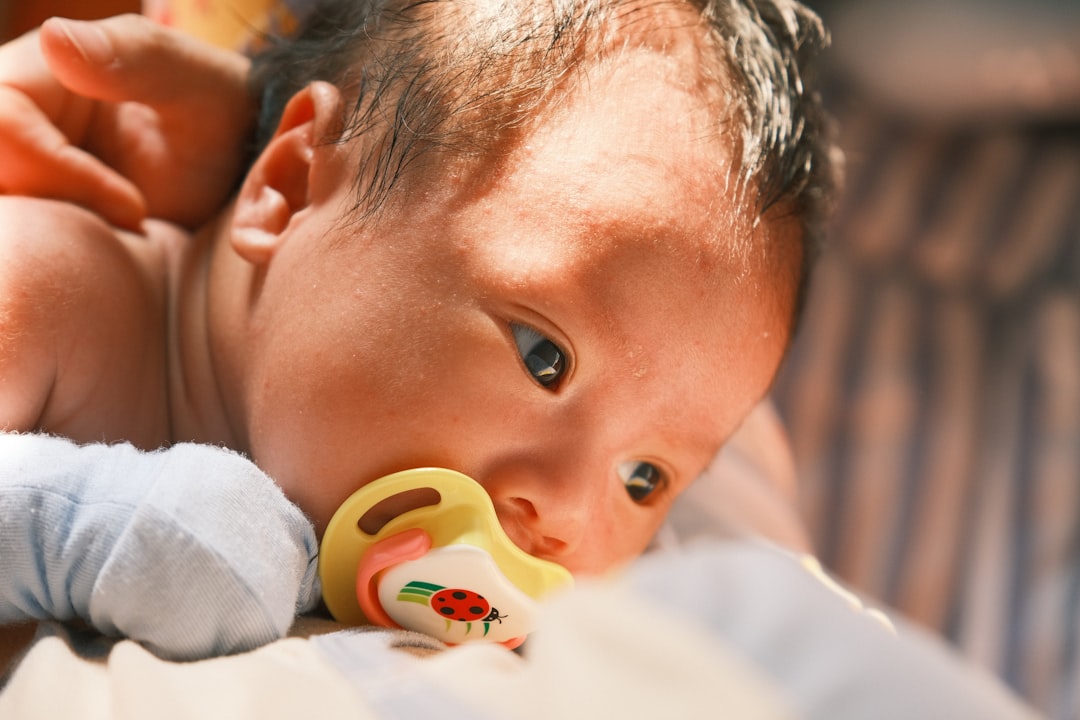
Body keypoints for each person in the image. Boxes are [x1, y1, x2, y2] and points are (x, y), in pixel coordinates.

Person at [0, 0, 833, 664]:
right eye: (546, 358)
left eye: (645, 477)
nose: (567, 513)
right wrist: (96, 525)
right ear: (290, 187)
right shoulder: (55, 287)